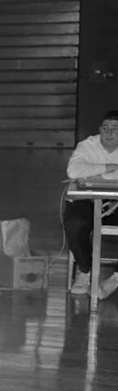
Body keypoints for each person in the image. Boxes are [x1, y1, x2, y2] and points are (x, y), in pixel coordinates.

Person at [64, 110, 118, 298]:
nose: (109, 133)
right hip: (86, 200)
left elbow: (83, 172)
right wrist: (109, 168)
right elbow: (73, 171)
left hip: (115, 204)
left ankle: (115, 278)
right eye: (105, 128)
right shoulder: (87, 146)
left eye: (115, 129)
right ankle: (85, 270)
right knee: (74, 223)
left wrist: (94, 174)